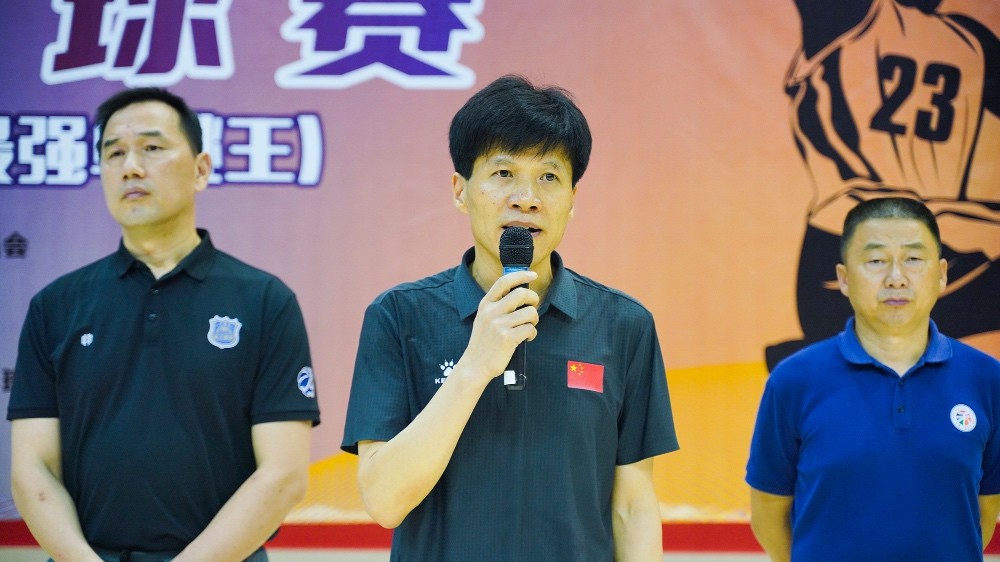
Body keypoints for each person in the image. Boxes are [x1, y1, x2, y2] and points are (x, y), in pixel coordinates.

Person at [341, 74, 678, 561]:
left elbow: (632, 507)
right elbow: (384, 501)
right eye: (503, 173)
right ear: (460, 191)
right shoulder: (399, 316)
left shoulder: (624, 325)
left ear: (572, 199)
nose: (526, 197)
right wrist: (475, 366)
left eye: (549, 177)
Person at [8, 87, 321, 562]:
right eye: (114, 153)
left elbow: (283, 476)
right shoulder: (56, 305)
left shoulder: (264, 301)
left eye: (152, 147)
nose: (131, 167)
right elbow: (34, 469)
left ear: (201, 169)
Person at [747, 197, 1000, 561]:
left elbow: (985, 508)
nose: (896, 278)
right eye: (876, 261)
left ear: (942, 274)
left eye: (913, 259)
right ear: (844, 278)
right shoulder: (793, 380)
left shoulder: (987, 379)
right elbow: (769, 508)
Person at [764, 0, 1000, 371]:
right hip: (853, 244)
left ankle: (814, 356)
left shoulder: (966, 38)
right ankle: (817, 358)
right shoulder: (861, 16)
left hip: (920, 240)